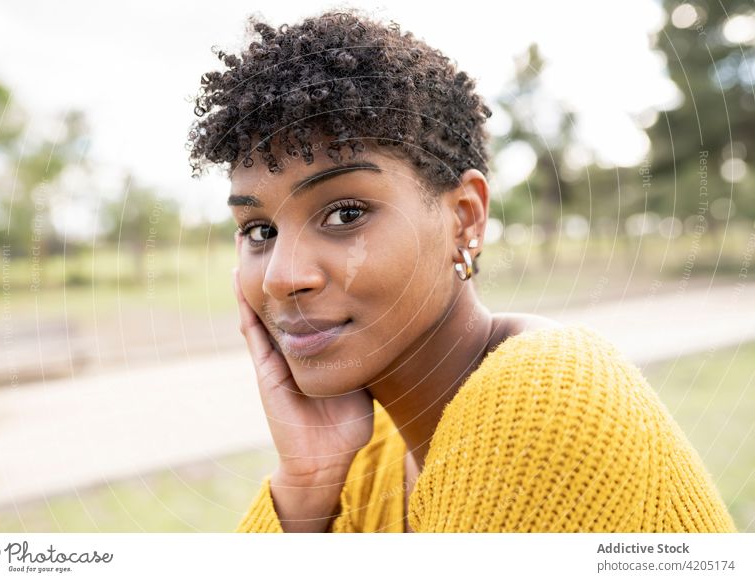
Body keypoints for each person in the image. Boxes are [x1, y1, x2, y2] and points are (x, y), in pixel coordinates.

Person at [186, 10, 737, 533]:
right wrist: (306, 484)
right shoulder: (372, 454)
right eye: (260, 231)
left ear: (464, 218)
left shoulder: (542, 400)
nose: (283, 277)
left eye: (345, 213)